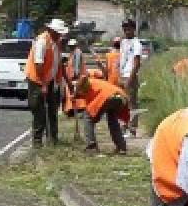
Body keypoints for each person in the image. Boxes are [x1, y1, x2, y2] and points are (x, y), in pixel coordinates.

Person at [26, 18, 69, 147]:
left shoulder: (57, 43)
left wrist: (61, 82)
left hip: (50, 81)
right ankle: (37, 142)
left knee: (53, 109)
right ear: (51, 30)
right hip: (38, 81)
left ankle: (53, 139)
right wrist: (43, 84)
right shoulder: (42, 41)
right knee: (39, 111)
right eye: (58, 32)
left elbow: (58, 64)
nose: (60, 35)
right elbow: (38, 64)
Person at [72, 74, 129, 154]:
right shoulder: (95, 83)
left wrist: (75, 94)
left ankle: (91, 146)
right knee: (112, 120)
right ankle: (121, 147)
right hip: (121, 96)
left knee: (88, 116)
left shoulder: (88, 85)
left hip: (108, 96)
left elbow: (92, 111)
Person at [118, 19, 144, 136]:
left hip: (131, 76)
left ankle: (132, 128)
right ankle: (124, 125)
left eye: (129, 29)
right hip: (123, 75)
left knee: (132, 103)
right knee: (123, 102)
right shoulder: (123, 42)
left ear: (134, 29)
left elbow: (137, 63)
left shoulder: (136, 43)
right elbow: (122, 59)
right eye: (125, 29)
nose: (126, 31)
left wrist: (130, 79)